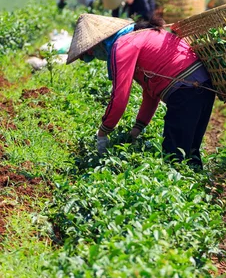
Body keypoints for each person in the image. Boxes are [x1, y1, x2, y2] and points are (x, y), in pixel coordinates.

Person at [65, 13, 214, 168]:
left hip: (185, 91)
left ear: (99, 43)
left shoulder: (123, 45)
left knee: (174, 159)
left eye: (91, 52)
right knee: (190, 153)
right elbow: (151, 94)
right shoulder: (143, 35)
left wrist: (103, 132)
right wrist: (138, 128)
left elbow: (120, 98)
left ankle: (187, 189)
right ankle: (199, 187)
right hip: (204, 88)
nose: (94, 55)